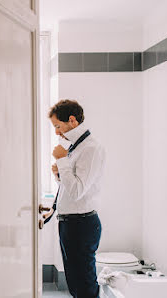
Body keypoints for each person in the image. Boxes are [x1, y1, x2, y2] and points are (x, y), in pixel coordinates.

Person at [49, 99, 105, 298]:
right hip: (71, 224)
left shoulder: (90, 148)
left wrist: (62, 161)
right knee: (75, 283)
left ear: (72, 121)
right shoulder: (75, 147)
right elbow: (70, 189)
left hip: (81, 225)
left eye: (58, 126)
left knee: (84, 286)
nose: (56, 132)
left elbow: (77, 191)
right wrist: (59, 174)